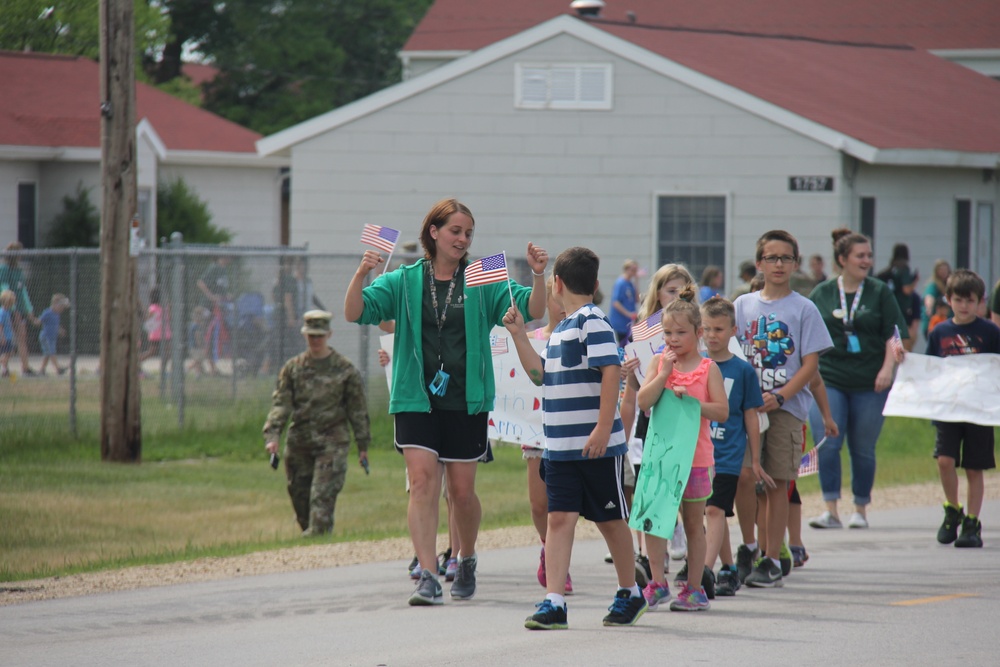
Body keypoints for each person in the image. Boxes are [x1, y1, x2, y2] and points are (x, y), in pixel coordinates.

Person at [344, 197, 548, 606]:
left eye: (468, 233)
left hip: (465, 400)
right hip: (415, 398)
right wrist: (362, 273)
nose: (463, 238)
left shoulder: (480, 278)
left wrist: (540, 276)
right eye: (455, 230)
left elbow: (534, 309)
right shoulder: (403, 280)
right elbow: (354, 312)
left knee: (461, 491)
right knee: (422, 482)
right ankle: (428, 575)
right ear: (433, 233)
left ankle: (465, 557)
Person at [504, 246, 647, 630]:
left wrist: (604, 427)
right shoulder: (561, 330)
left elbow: (611, 371)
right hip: (560, 449)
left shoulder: (592, 321)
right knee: (559, 518)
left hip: (597, 447)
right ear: (597, 283)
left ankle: (630, 591)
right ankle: (554, 601)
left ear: (557, 283)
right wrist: (519, 336)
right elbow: (540, 376)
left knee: (611, 519)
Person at [733, 230, 833, 588]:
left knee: (778, 483)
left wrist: (781, 395)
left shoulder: (804, 308)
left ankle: (773, 558)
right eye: (771, 258)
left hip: (786, 408)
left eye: (786, 258)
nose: (778, 264)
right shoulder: (743, 305)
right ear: (759, 263)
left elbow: (810, 365)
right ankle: (749, 547)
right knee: (745, 477)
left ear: (795, 263)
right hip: (747, 408)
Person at [636, 286, 728, 612]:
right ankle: (657, 583)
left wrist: (693, 403)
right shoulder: (660, 363)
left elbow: (722, 411)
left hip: (695, 457)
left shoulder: (708, 369)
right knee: (656, 518)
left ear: (698, 333)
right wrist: (663, 375)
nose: (672, 339)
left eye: (680, 332)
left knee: (692, 522)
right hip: (661, 455)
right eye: (667, 332)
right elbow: (643, 402)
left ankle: (694, 587)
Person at [807, 229, 907, 530]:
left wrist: (888, 368)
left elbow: (895, 334)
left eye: (869, 256)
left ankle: (860, 508)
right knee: (828, 443)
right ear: (842, 259)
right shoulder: (822, 293)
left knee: (862, 448)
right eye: (860, 256)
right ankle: (830, 509)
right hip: (829, 380)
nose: (867, 261)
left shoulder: (879, 291)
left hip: (870, 383)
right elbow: (805, 335)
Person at [262, 310, 371, 537]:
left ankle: (317, 542)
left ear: (329, 334)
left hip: (332, 442)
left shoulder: (345, 370)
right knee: (300, 497)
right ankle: (313, 546)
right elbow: (281, 404)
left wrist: (363, 445)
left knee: (321, 499)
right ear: (304, 335)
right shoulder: (293, 369)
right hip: (300, 441)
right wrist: (272, 437)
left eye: (320, 336)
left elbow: (357, 410)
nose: (315, 340)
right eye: (311, 336)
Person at [700, 296, 770, 597]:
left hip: (728, 455)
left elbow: (752, 416)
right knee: (711, 512)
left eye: (718, 328)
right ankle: (727, 567)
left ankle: (703, 571)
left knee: (715, 510)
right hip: (698, 455)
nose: (712, 335)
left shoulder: (742, 370)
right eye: (706, 328)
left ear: (733, 330)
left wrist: (754, 460)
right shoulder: (695, 365)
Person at [926, 270, 1000, 548]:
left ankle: (972, 522)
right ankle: (952, 509)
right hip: (949, 407)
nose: (964, 306)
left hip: (979, 409)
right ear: (948, 300)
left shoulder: (990, 332)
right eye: (958, 300)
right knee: (945, 460)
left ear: (980, 302)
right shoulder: (940, 332)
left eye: (970, 300)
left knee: (974, 467)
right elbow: (930, 367)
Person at [526, 275, 573, 594]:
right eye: (553, 300)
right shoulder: (532, 338)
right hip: (534, 430)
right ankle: (547, 547)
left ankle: (560, 564)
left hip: (568, 429)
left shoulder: (579, 336)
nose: (559, 307)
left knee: (563, 505)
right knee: (538, 503)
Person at [0, 242, 39, 376]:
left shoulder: (19, 271)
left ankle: (25, 367)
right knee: (8, 340)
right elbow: (4, 289)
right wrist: (12, 309)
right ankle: (4, 367)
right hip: (7, 311)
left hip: (20, 311)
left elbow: (23, 293)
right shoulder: (4, 270)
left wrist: (29, 311)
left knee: (22, 337)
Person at [877, 243, 920, 350]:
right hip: (902, 315)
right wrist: (915, 281)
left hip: (886, 314)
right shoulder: (904, 268)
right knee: (903, 352)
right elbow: (906, 289)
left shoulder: (888, 270)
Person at [195, 255, 232, 375]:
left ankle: (211, 368)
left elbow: (221, 290)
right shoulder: (214, 268)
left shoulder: (224, 271)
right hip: (207, 308)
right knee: (206, 336)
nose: (228, 258)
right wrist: (210, 296)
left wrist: (226, 297)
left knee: (211, 338)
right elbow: (200, 282)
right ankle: (201, 367)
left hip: (217, 310)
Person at [38, 293, 70, 375]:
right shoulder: (47, 312)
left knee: (47, 354)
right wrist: (33, 320)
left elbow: (56, 325)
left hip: (52, 338)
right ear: (55, 305)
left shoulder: (57, 315)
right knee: (52, 353)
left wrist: (60, 330)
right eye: (61, 307)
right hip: (46, 337)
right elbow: (39, 321)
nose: (62, 309)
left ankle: (42, 369)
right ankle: (58, 369)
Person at [609, 259, 639, 345]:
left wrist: (637, 281)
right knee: (623, 344)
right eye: (632, 270)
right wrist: (629, 314)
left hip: (629, 322)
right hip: (621, 322)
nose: (634, 272)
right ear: (626, 269)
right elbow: (615, 302)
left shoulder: (630, 283)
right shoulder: (620, 283)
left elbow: (636, 299)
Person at [921, 260, 952, 339]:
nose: (943, 272)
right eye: (940, 269)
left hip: (948, 322)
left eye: (945, 269)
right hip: (935, 324)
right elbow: (929, 297)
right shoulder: (933, 285)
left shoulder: (951, 284)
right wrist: (929, 307)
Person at [140, 287, 171, 365]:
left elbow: (169, 317)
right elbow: (147, 319)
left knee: (167, 352)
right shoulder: (153, 308)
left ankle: (163, 369)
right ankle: (137, 361)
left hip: (166, 334)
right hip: (156, 334)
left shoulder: (165, 307)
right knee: (152, 351)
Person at [0, 289, 16, 377]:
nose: (11, 305)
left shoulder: (7, 312)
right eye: (10, 302)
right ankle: (4, 369)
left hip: (9, 336)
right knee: (5, 354)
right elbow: (0, 326)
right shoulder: (2, 312)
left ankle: (5, 370)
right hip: (4, 337)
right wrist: (2, 337)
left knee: (9, 353)